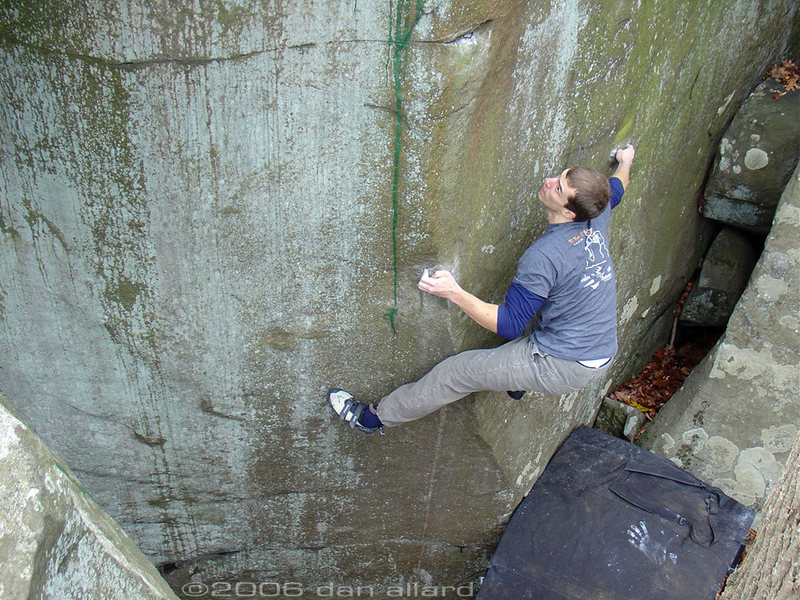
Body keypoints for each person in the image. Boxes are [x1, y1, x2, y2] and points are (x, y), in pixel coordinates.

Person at [329, 144, 636, 434]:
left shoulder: (544, 255)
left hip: (563, 363)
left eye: (558, 188)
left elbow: (509, 323)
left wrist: (453, 292)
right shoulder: (597, 212)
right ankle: (517, 382)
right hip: (598, 346)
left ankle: (371, 418)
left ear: (570, 213)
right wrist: (626, 161)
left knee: (457, 372)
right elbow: (617, 187)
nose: (548, 181)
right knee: (546, 301)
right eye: (559, 176)